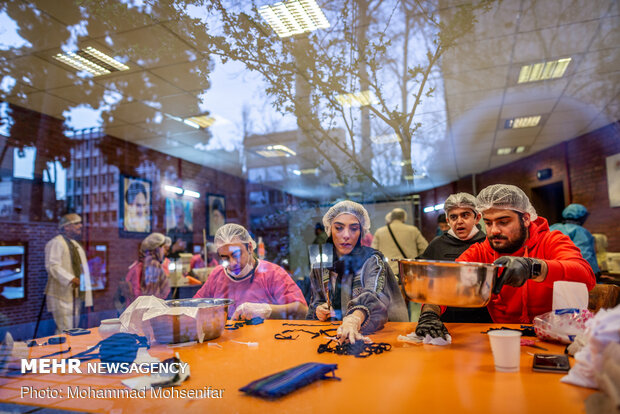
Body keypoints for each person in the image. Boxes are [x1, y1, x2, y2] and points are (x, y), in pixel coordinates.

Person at [415, 185, 596, 339]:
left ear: (525, 219)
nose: (493, 231)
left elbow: (585, 275)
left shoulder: (551, 241)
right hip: (504, 335)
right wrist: (430, 313)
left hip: (554, 335)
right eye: (488, 222)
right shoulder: (481, 251)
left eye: (503, 222)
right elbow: (447, 282)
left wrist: (532, 267)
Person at [307, 201, 408, 344]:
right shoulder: (321, 264)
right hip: (329, 338)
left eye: (354, 228)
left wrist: (355, 319)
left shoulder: (372, 260)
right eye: (339, 228)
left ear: (362, 232)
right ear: (329, 229)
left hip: (372, 339)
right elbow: (315, 300)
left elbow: (375, 297)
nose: (346, 235)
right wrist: (319, 310)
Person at [194, 224, 307, 320]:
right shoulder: (217, 276)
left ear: (250, 247)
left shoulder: (272, 273)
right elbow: (194, 307)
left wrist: (267, 310)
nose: (232, 263)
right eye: (225, 257)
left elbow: (302, 310)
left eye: (236, 255)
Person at [418, 193, 490, 322]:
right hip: (447, 317)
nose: (459, 221)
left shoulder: (488, 243)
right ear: (448, 221)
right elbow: (422, 273)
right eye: (453, 217)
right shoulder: (437, 244)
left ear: (477, 217)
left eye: (465, 215)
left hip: (483, 316)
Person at [44, 213, 93, 333]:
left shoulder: (76, 245)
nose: (80, 226)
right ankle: (62, 351)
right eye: (76, 223)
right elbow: (52, 266)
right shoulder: (56, 243)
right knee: (65, 329)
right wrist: (70, 278)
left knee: (73, 329)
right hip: (61, 294)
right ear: (66, 227)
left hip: (75, 294)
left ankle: (71, 351)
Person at [371, 207, 428, 276]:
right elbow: (425, 249)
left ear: (391, 217)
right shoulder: (413, 230)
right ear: (404, 218)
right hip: (409, 270)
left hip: (388, 271)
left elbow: (373, 253)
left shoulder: (379, 232)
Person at [550, 204, 601, 277]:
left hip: (551, 272)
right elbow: (584, 256)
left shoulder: (553, 227)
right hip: (574, 275)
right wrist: (596, 274)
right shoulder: (580, 231)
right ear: (582, 218)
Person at [125, 232, 171, 304]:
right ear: (157, 248)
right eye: (163, 247)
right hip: (148, 311)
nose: (164, 252)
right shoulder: (153, 265)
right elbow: (152, 296)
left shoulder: (138, 263)